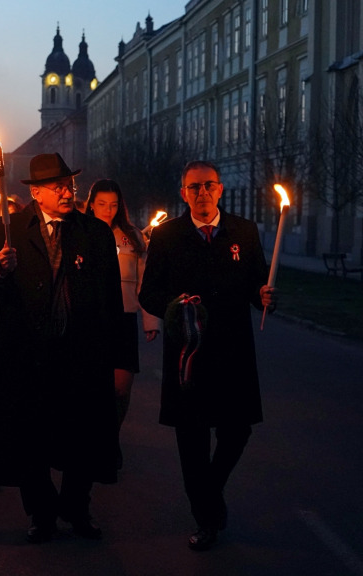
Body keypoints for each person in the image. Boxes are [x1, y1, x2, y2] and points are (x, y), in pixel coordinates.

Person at [0, 153, 124, 544]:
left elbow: (111, 300)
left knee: (83, 437)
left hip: (80, 354)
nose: (66, 191)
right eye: (57, 186)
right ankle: (40, 512)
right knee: (30, 438)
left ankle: (76, 505)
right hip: (28, 354)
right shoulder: (11, 229)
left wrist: (119, 355)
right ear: (36, 193)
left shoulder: (94, 233)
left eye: (69, 184)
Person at [138, 160, 276, 551]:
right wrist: (174, 307)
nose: (202, 193)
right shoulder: (166, 237)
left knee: (237, 430)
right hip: (188, 355)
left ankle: (209, 494)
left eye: (209, 186)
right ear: (183, 193)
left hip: (233, 352)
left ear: (220, 190)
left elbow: (257, 286)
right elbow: (148, 292)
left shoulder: (244, 233)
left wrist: (265, 296)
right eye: (194, 187)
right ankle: (206, 520)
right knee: (192, 440)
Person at [85, 179, 161, 467]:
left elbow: (145, 282)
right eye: (102, 204)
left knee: (120, 390)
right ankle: (94, 442)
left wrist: (151, 320)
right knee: (93, 388)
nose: (108, 210)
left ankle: (111, 439)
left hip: (124, 319)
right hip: (91, 321)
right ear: (92, 204)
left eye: (113, 205)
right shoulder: (80, 234)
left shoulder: (133, 238)